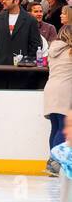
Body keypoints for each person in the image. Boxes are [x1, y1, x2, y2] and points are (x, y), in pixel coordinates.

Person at [45, 24, 72, 178]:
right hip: (65, 91)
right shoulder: (69, 51)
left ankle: (53, 161)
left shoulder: (53, 50)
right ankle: (55, 162)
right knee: (63, 128)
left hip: (50, 89)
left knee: (55, 127)